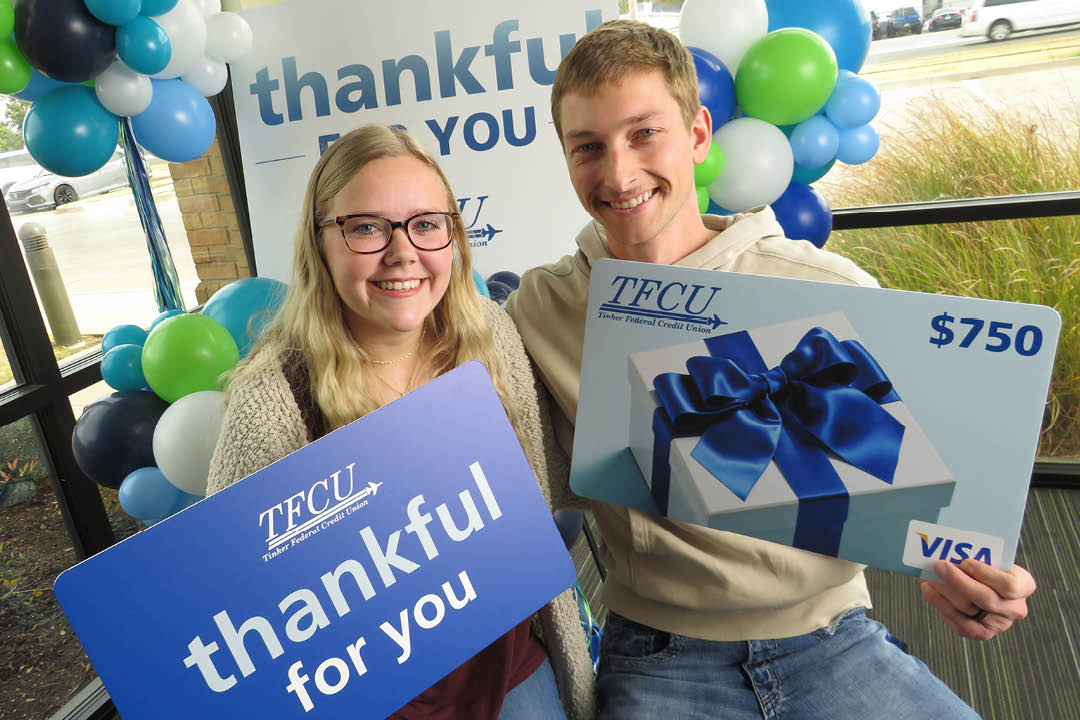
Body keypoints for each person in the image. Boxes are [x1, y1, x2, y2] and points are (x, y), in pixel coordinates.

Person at [506, 20, 1036, 719]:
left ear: (698, 134)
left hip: (832, 637)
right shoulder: (541, 309)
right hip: (661, 653)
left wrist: (975, 578)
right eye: (589, 148)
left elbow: (938, 487)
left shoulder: (828, 287)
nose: (619, 173)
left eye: (643, 134)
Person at [206, 125, 595, 720]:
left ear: (452, 235)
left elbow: (549, 485)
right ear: (320, 244)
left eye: (426, 223)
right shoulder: (271, 402)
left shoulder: (491, 336)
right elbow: (230, 596)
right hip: (372, 698)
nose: (402, 252)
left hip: (512, 672)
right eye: (366, 227)